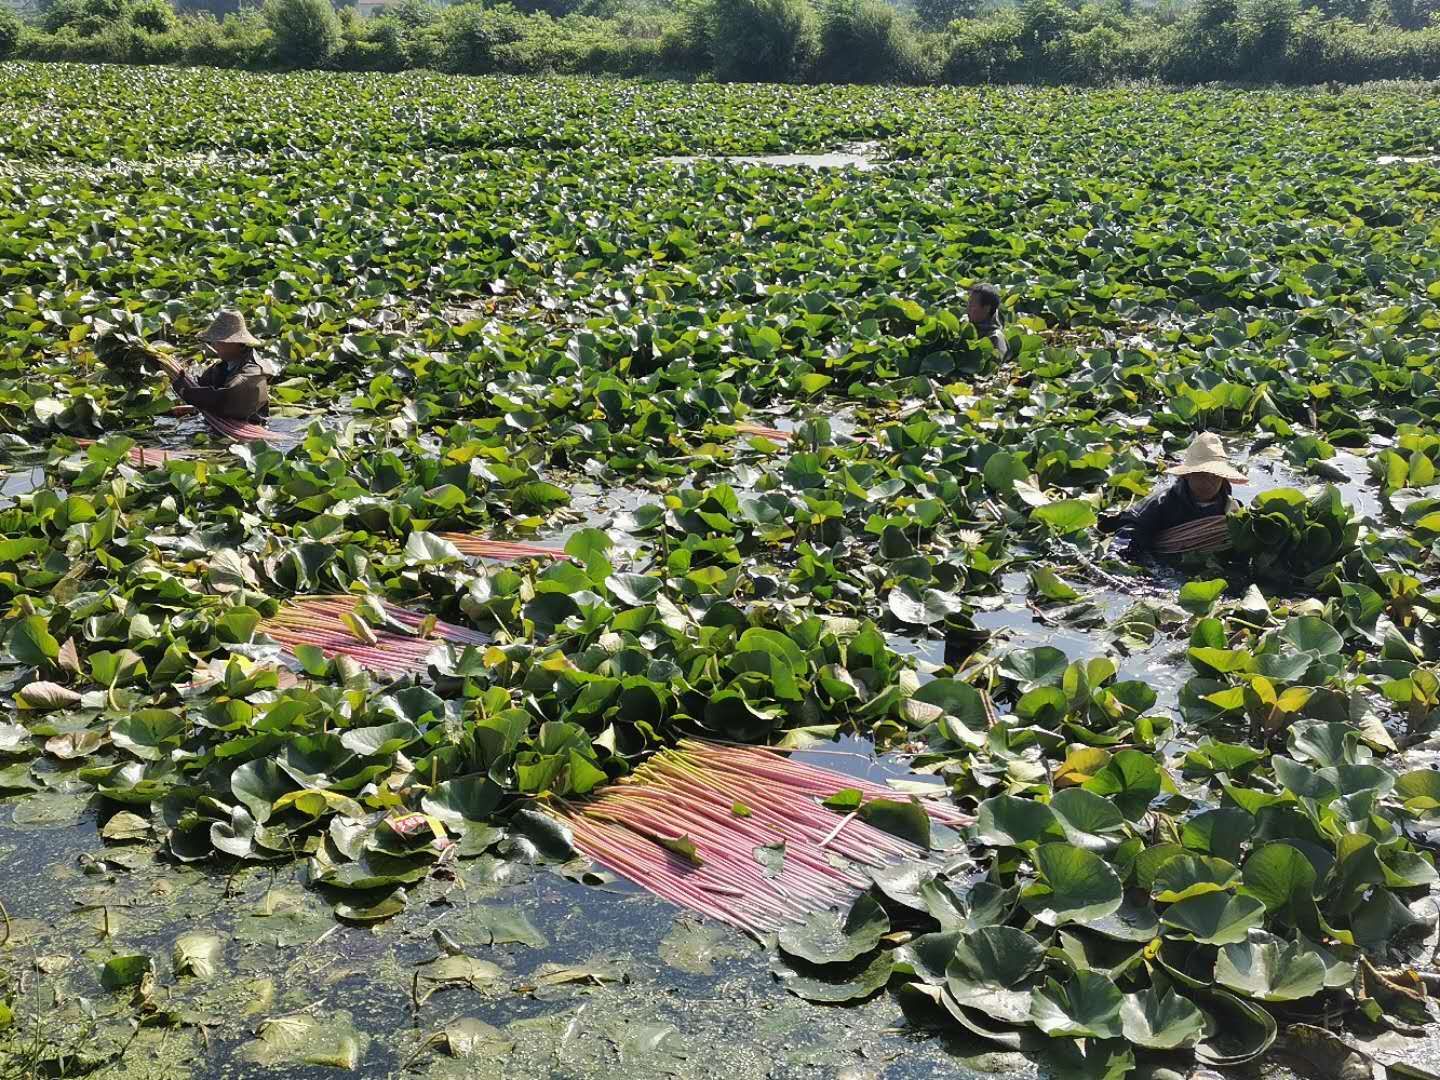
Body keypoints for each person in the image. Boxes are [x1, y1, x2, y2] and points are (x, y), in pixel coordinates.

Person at [1099, 433, 1246, 556]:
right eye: (1202, 474)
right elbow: (1131, 530)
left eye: (1215, 475)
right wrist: (1117, 556)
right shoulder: (1161, 503)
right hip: (1164, 557)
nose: (1209, 481)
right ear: (1188, 475)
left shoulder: (1232, 509)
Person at [170, 311, 270, 420]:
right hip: (222, 420)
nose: (214, 346)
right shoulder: (220, 366)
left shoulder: (251, 372)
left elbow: (225, 396)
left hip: (249, 427)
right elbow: (202, 385)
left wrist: (185, 392)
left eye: (219, 342)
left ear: (235, 343)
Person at [967, 283, 1009, 362]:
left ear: (987, 308)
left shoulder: (995, 338)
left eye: (972, 304)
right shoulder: (966, 329)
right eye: (968, 303)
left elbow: (995, 367)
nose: (968, 308)